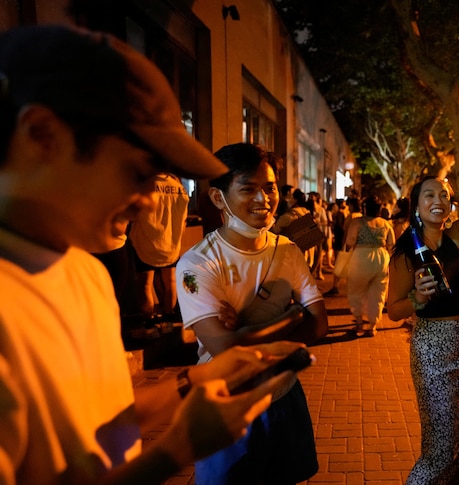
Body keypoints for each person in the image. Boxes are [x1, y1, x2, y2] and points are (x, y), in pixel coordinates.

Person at [0, 24, 301, 484]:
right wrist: (174, 452)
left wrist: (196, 382)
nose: (148, 199)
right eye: (138, 172)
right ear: (42, 135)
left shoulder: (85, 273)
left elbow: (102, 426)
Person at [176, 143, 328, 484]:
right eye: (248, 189)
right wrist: (292, 316)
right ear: (218, 198)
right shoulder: (196, 263)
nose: (264, 199)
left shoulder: (287, 250)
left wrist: (248, 332)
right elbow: (227, 351)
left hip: (284, 395)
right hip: (227, 405)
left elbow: (319, 324)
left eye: (270, 187)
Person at [387, 176, 459, 484]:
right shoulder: (407, 251)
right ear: (416, 206)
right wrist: (417, 298)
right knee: (439, 450)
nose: (437, 201)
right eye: (428, 196)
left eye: (443, 197)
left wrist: (448, 191)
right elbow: (394, 310)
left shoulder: (455, 235)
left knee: (456, 439)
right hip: (432, 351)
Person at [128, 172, 190, 320]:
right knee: (170, 283)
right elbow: (184, 217)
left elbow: (134, 213)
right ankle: (169, 322)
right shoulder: (178, 186)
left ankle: (149, 323)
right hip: (170, 241)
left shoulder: (145, 184)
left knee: (145, 285)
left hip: (146, 241)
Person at [345, 196, 395, 337]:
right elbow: (391, 244)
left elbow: (349, 242)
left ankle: (359, 323)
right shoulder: (386, 224)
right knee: (378, 293)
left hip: (360, 257)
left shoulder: (357, 222)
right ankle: (372, 326)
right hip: (381, 257)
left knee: (356, 291)